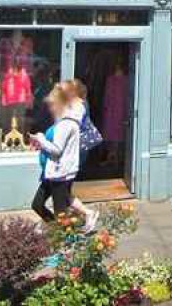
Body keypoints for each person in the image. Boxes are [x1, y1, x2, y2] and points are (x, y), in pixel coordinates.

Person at [29, 86, 81, 222]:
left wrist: (41, 140)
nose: (50, 108)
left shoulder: (65, 124)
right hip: (52, 173)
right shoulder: (63, 122)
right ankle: (57, 233)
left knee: (61, 213)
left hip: (60, 174)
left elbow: (57, 150)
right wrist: (42, 139)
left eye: (52, 104)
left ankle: (64, 239)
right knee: (37, 205)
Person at [59, 79, 100, 231]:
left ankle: (87, 213)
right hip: (76, 151)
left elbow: (69, 128)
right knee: (64, 189)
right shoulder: (81, 104)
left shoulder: (78, 107)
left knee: (63, 189)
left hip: (75, 151)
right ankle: (72, 216)